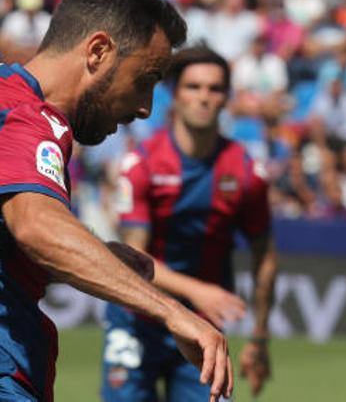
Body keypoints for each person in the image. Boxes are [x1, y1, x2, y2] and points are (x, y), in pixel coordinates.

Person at [0, 0, 233, 402]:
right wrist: (173, 313)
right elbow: (37, 226)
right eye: (145, 79)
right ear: (98, 52)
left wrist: (95, 259)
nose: (145, 106)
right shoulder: (26, 118)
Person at [104, 46, 278, 401]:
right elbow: (132, 257)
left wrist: (259, 338)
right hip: (138, 318)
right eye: (193, 87)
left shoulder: (247, 172)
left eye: (214, 89)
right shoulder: (142, 164)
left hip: (204, 328)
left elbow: (265, 255)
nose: (204, 98)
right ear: (175, 95)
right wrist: (196, 290)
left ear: (226, 98)